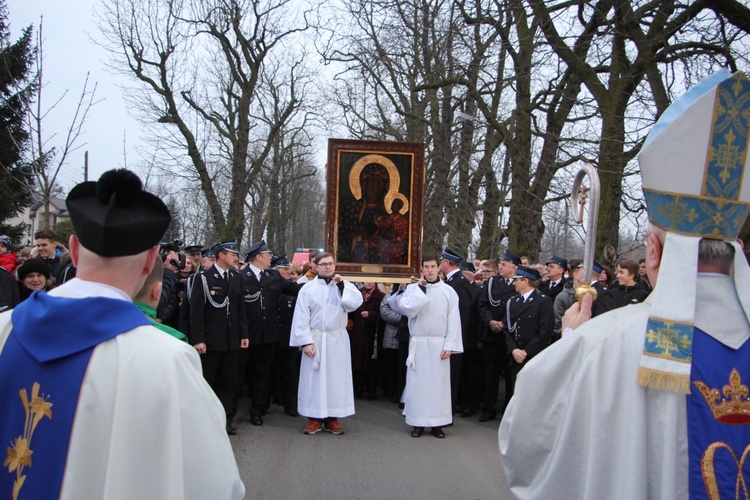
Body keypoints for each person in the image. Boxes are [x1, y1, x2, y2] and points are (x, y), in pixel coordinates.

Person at [498, 71, 750, 499]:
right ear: (736, 247)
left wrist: (572, 345)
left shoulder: (610, 342)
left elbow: (528, 437)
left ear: (653, 251)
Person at [0, 169, 244, 499]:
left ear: (72, 249)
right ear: (150, 262)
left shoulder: (6, 328)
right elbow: (217, 486)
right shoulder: (167, 361)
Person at [290, 252, 363, 435]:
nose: (328, 267)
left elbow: (354, 303)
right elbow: (301, 316)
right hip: (316, 338)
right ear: (316, 266)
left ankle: (333, 419)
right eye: (324, 264)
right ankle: (314, 418)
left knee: (335, 379)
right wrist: (305, 342)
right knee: (314, 381)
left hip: (336, 339)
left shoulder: (343, 285)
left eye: (331, 264)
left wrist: (340, 286)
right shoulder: (308, 289)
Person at [397, 254, 463, 438]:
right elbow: (407, 310)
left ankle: (437, 424)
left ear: (438, 268)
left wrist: (450, 345)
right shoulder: (413, 289)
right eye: (426, 267)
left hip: (438, 343)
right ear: (422, 269)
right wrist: (421, 291)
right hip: (419, 342)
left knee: (438, 386)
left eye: (433, 266)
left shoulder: (448, 291)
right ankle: (417, 423)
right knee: (418, 385)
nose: (430, 270)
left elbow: (454, 320)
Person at [237, 240, 302, 426]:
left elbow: (296, 290)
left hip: (268, 336)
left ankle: (257, 410)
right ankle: (229, 413)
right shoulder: (241, 277)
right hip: (246, 335)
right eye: (267, 255)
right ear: (258, 257)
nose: (270, 258)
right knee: (238, 375)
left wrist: (319, 281)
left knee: (261, 374)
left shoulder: (273, 276)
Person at [189, 241, 249, 435]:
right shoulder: (203, 279)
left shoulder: (236, 278)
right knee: (209, 382)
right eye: (233, 254)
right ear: (222, 255)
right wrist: (198, 339)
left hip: (232, 340)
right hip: (211, 341)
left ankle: (226, 420)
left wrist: (244, 334)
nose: (236, 258)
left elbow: (241, 309)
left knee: (229, 382)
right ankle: (205, 422)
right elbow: (196, 312)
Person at [501, 265, 554, 411]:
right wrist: (513, 349)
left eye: (517, 280)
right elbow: (508, 328)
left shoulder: (543, 301)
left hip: (531, 355)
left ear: (526, 281)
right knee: (512, 391)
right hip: (515, 354)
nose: (514, 283)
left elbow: (545, 330)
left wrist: (526, 351)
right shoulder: (514, 301)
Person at [477, 252, 520, 422]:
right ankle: (489, 408)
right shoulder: (493, 282)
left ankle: (507, 409)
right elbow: (483, 304)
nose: (500, 268)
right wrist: (490, 322)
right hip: (491, 335)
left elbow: (518, 308)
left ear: (514, 267)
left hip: (509, 336)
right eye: (500, 264)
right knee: (491, 374)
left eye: (504, 265)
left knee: (510, 376)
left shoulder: (519, 283)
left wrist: (502, 323)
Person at [440, 247, 481, 417]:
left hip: (456, 338)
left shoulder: (459, 283)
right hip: (450, 336)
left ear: (448, 262)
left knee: (454, 376)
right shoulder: (452, 282)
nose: (440, 263)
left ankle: (451, 410)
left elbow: (463, 314)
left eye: (442, 261)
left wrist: (453, 337)